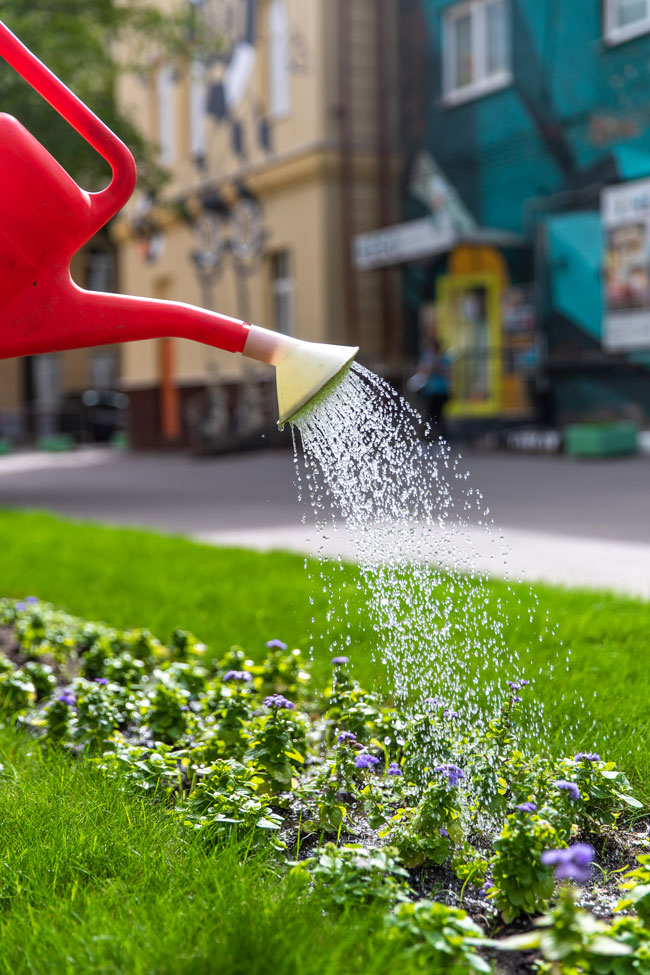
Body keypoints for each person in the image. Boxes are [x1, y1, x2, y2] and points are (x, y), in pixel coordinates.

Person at [409, 335, 451, 439]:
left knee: (437, 417)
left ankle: (439, 439)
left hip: (439, 391)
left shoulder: (443, 359)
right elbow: (422, 371)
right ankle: (427, 440)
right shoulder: (427, 358)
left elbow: (448, 373)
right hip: (430, 391)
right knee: (428, 416)